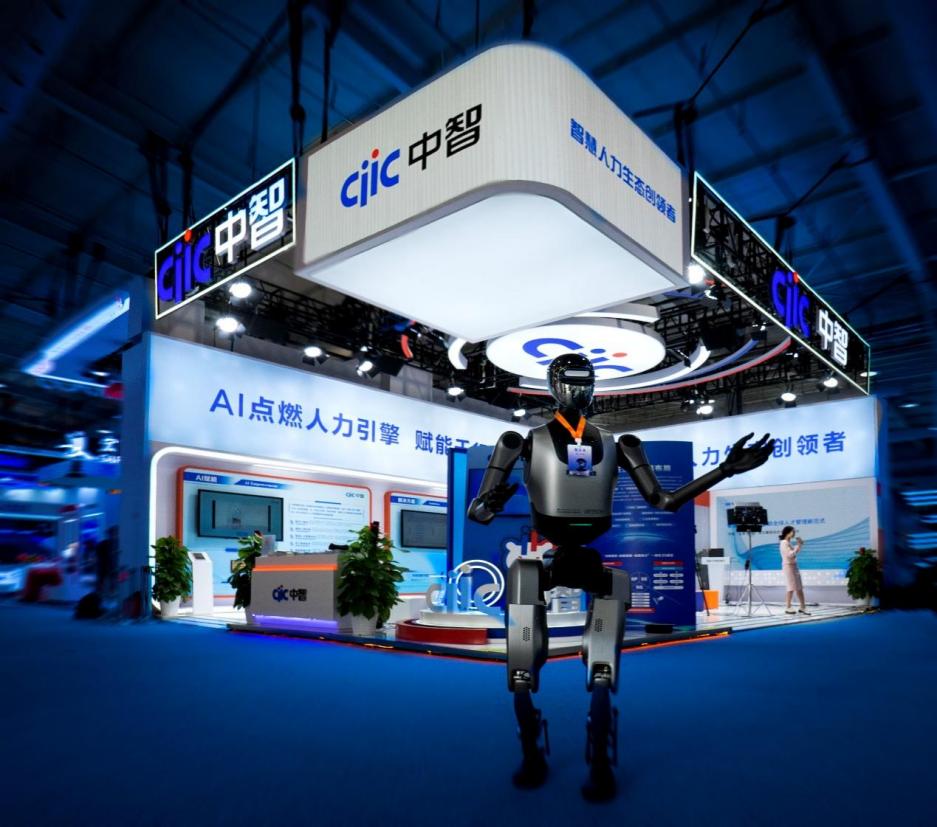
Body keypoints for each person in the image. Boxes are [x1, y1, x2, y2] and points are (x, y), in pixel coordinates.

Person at [468, 352, 774, 801]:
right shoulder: (522, 441)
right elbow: (477, 512)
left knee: (602, 668)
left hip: (594, 561)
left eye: (585, 380)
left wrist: (724, 469)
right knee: (521, 665)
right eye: (570, 380)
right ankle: (531, 747)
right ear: (553, 386)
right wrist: (488, 503)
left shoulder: (620, 444)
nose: (578, 389)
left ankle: (598, 755)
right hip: (546, 560)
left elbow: (664, 501)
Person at [779, 526, 809, 615]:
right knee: (791, 587)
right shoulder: (784, 543)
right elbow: (790, 555)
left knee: (799, 587)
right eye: (793, 532)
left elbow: (794, 553)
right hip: (788, 566)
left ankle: (803, 607)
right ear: (787, 532)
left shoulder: (788, 542)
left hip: (793, 566)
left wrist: (799, 545)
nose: (794, 533)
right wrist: (798, 546)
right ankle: (788, 607)